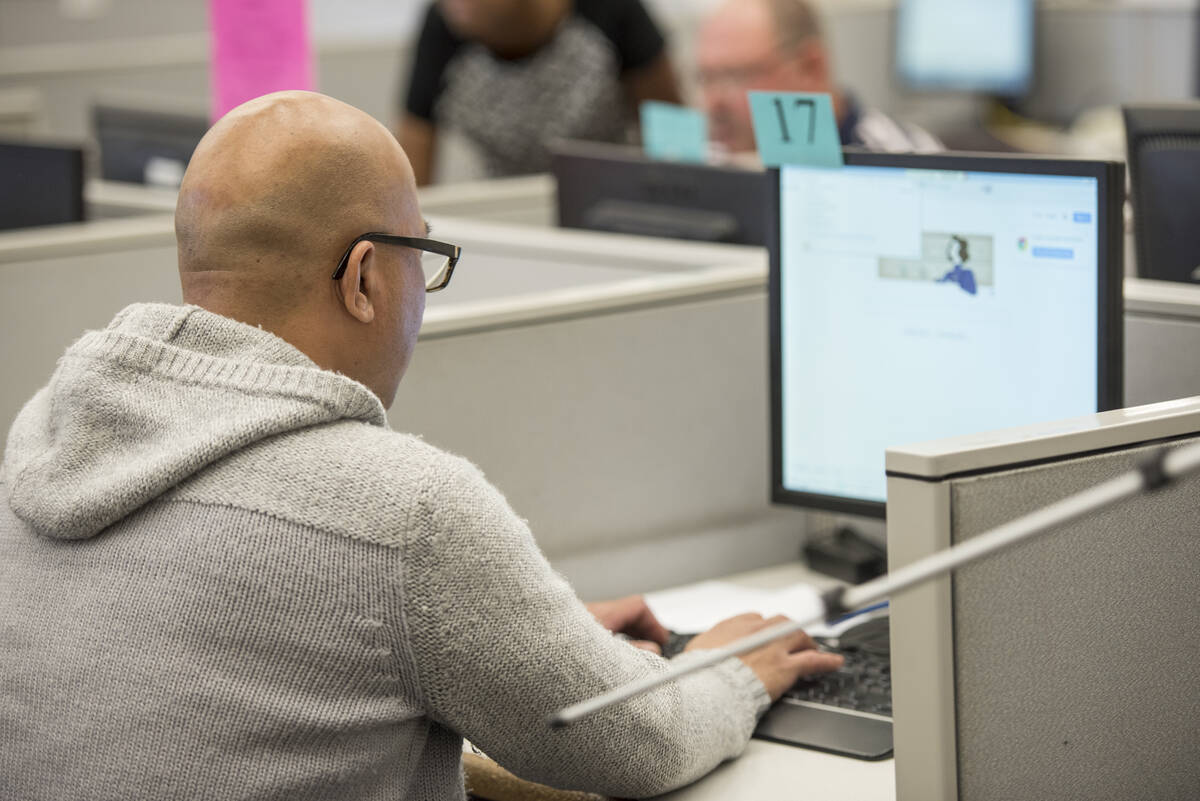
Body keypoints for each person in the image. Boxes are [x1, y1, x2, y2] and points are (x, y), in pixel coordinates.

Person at [0, 91, 842, 800]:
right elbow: (636, 741)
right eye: (424, 258)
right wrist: (735, 667)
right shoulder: (400, 510)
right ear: (364, 277)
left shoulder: (49, 438)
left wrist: (517, 640)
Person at [398, 0, 682, 185]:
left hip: (610, 199)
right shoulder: (444, 27)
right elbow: (413, 173)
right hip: (509, 210)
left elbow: (674, 140)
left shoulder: (610, 11)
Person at [696, 0, 942, 157]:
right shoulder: (710, 161)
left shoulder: (907, 162)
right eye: (706, 78)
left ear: (811, 67)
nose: (713, 102)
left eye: (737, 77)